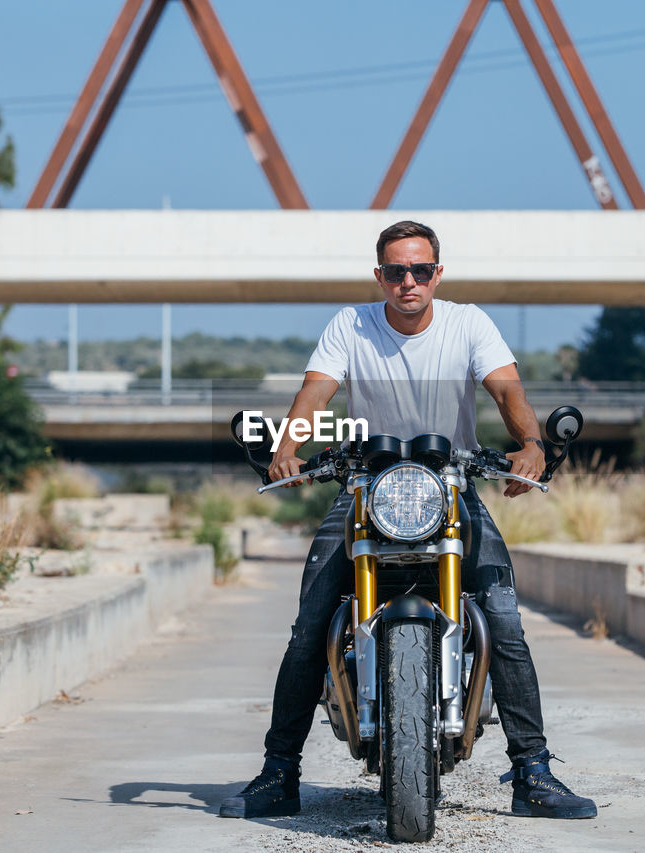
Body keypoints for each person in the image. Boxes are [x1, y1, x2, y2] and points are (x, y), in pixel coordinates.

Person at [219, 220, 596, 821]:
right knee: (309, 623)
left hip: (453, 487)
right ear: (380, 277)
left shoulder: (468, 323)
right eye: (396, 271)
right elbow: (316, 392)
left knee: (504, 619)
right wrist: (288, 447)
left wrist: (529, 443)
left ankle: (533, 771)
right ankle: (278, 773)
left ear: (437, 274)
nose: (408, 281)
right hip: (366, 486)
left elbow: (506, 390)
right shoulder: (351, 325)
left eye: (421, 270)